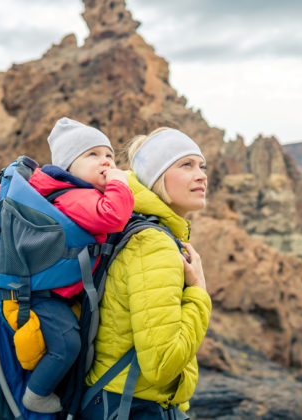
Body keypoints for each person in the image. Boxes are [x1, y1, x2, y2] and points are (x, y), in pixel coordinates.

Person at [82, 127, 212, 419]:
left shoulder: (137, 228)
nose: (202, 175)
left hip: (116, 402)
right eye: (186, 165)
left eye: (202, 165)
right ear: (157, 177)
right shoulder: (153, 244)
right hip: (133, 407)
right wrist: (199, 292)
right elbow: (162, 363)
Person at [22, 117, 135, 413]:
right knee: (67, 346)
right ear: (69, 166)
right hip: (44, 297)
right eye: (93, 154)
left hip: (58, 291)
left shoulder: (78, 193)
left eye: (109, 154)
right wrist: (120, 184)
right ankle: (35, 394)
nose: (106, 162)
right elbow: (112, 217)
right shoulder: (73, 196)